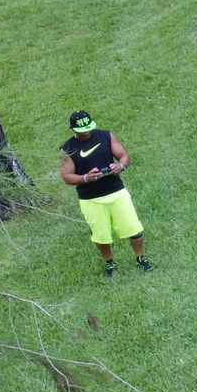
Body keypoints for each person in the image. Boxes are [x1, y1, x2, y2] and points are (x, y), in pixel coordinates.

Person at [59, 110, 151, 278]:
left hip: (116, 192)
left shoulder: (106, 136)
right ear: (72, 129)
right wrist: (86, 178)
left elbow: (123, 155)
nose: (86, 133)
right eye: (82, 131)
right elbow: (66, 177)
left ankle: (140, 258)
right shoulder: (67, 149)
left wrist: (120, 166)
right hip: (91, 199)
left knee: (134, 228)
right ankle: (110, 263)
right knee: (101, 235)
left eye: (88, 129)